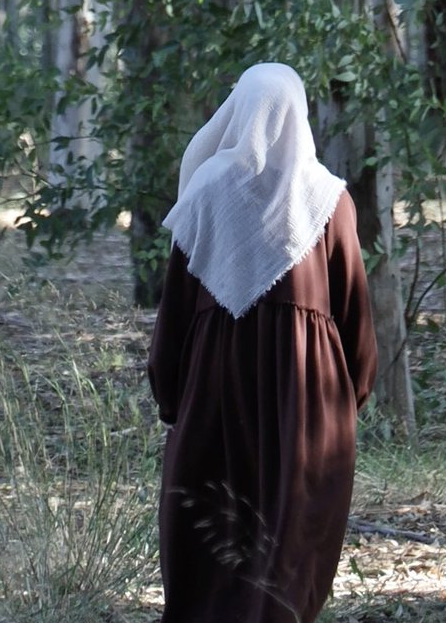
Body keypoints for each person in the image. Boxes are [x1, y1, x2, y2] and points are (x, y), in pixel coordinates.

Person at [148, 62, 378, 623]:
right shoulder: (330, 201)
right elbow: (355, 314)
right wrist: (352, 395)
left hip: (215, 386)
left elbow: (174, 311)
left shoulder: (206, 193)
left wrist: (172, 394)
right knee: (291, 514)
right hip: (307, 397)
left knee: (213, 517)